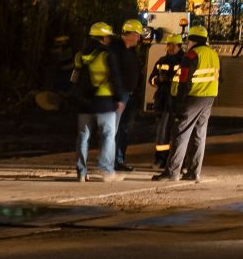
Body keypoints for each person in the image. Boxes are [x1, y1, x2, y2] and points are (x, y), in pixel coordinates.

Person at [156, 24, 219, 183]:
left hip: (191, 98)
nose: (187, 44)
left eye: (188, 40)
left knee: (180, 134)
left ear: (193, 40)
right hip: (208, 98)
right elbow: (220, 78)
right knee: (199, 135)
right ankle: (193, 172)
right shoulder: (213, 54)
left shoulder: (191, 55)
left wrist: (179, 102)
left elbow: (184, 81)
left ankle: (172, 172)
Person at [71, 22, 123, 183]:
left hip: (84, 102)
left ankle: (81, 172)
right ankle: (107, 171)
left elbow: (74, 79)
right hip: (104, 101)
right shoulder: (107, 55)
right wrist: (119, 98)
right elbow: (115, 78)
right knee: (108, 136)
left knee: (83, 137)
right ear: (104, 37)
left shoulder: (80, 55)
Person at [148, 29, 186, 173]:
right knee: (162, 134)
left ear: (180, 46)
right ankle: (160, 159)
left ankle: (177, 162)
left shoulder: (184, 62)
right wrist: (158, 79)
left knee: (177, 133)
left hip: (177, 103)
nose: (170, 48)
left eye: (173, 45)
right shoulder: (161, 61)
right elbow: (151, 79)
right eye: (169, 45)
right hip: (163, 102)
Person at [112, 17, 147, 172]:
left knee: (125, 129)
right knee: (114, 129)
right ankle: (111, 161)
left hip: (130, 96)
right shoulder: (116, 49)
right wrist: (118, 95)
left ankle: (119, 160)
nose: (139, 38)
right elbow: (113, 74)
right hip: (119, 96)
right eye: (138, 35)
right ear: (131, 34)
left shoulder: (130, 50)